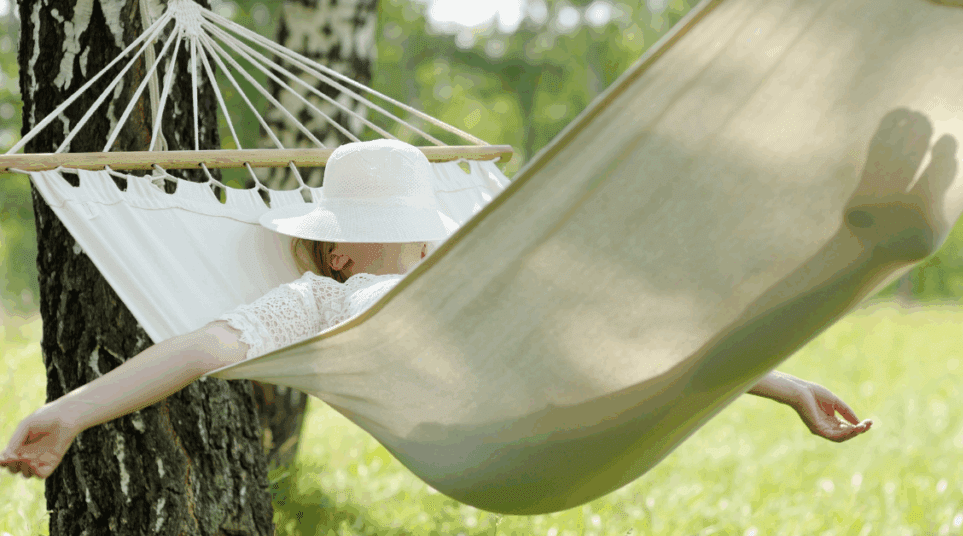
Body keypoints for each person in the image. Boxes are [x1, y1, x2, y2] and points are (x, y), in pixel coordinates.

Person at [1, 139, 871, 481]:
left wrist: (787, 385)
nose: (422, 244)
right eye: (403, 233)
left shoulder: (469, 273)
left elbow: (628, 339)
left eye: (424, 231)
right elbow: (199, 347)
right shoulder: (322, 299)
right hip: (477, 433)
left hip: (558, 402)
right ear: (340, 250)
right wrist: (69, 413)